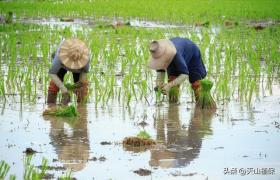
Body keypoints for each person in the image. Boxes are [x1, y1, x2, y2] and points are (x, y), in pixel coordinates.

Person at [148, 37, 207, 102]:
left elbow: (184, 74)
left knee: (195, 83)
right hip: (177, 54)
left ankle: (201, 104)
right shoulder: (158, 54)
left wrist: (169, 86)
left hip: (192, 54)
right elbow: (160, 72)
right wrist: (159, 85)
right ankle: (173, 105)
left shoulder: (175, 54)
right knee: (172, 80)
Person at [47, 38, 90, 105]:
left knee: (82, 90)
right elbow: (52, 73)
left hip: (78, 69)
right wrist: (64, 89)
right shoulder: (59, 57)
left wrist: (76, 86)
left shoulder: (85, 59)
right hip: (62, 65)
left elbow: (83, 77)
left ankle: (82, 109)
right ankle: (50, 106)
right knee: (54, 86)